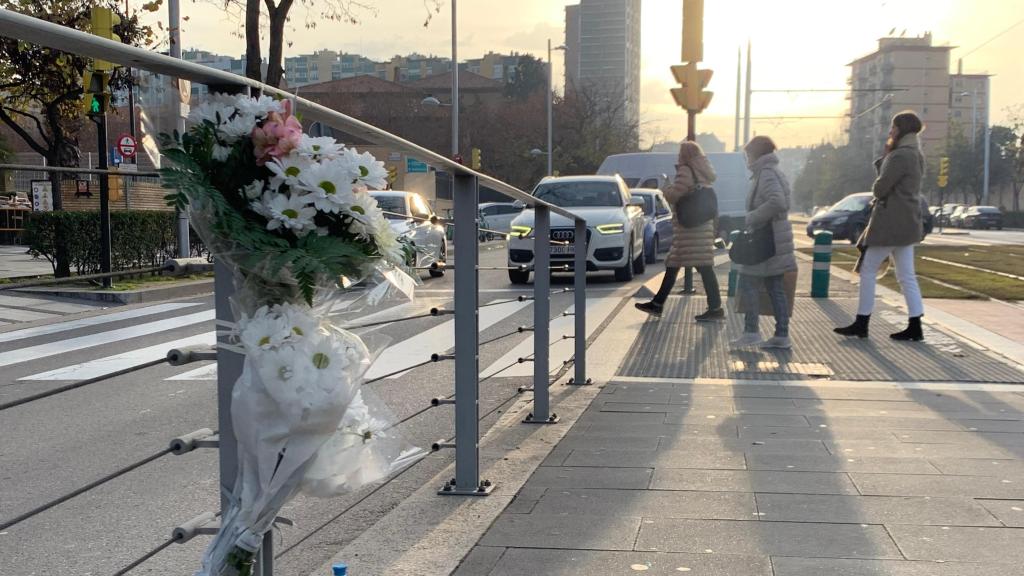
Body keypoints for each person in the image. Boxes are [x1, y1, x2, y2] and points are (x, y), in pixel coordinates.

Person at [835, 111, 926, 341]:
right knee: (907, 276)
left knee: (867, 270)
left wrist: (884, 161)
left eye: (893, 127)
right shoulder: (917, 154)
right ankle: (915, 325)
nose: (890, 131)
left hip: (890, 223)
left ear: (901, 130)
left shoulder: (899, 156)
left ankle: (862, 322)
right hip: (908, 222)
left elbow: (879, 189)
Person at [635, 141, 723, 320]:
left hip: (689, 229)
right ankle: (658, 303)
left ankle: (715, 308)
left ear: (684, 154)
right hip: (700, 225)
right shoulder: (704, 171)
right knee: (676, 264)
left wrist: (665, 189)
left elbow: (676, 193)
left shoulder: (686, 170)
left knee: (700, 267)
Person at [731, 136, 797, 350]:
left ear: (756, 154)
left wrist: (752, 217)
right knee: (774, 286)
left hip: (766, 238)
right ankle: (781, 335)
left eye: (748, 154)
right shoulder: (772, 171)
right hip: (775, 237)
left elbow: (777, 202)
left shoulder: (766, 174)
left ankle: (752, 331)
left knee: (748, 281)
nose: (747, 159)